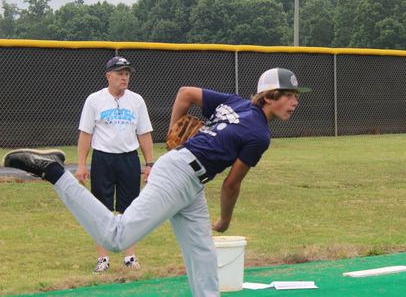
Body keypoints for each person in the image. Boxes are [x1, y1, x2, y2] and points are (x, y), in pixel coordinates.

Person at [4, 67, 306, 297]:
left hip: (190, 179)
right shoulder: (259, 135)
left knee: (202, 256)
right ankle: (53, 171)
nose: (295, 102)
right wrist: (225, 220)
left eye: (296, 96)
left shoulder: (236, 103)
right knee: (116, 237)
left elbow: (186, 93)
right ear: (269, 96)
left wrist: (173, 133)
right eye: (289, 95)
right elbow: (231, 185)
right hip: (180, 175)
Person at [76, 56, 154, 273]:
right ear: (108, 76)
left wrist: (149, 163)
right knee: (101, 209)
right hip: (103, 158)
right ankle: (103, 258)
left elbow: (145, 133)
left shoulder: (137, 100)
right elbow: (85, 134)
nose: (124, 77)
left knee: (131, 210)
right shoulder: (94, 100)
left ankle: (130, 256)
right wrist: (81, 165)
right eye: (120, 73)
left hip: (129, 158)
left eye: (127, 73)